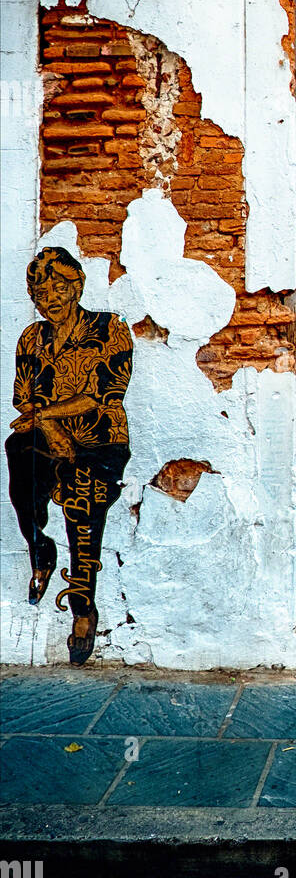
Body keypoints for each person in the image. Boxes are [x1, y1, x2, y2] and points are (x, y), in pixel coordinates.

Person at [5, 247, 133, 664]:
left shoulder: (109, 328)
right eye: (42, 293)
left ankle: (83, 607)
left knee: (83, 498)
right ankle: (40, 549)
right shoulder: (32, 337)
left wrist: (45, 416)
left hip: (100, 439)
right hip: (48, 434)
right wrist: (48, 425)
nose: (51, 298)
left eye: (59, 287)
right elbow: (22, 400)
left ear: (77, 285)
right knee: (17, 452)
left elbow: (101, 395)